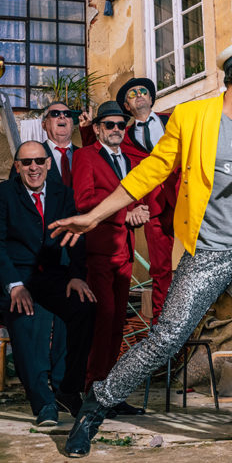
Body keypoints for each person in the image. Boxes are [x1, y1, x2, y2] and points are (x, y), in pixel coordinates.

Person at [52, 30, 232, 459]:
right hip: (210, 248)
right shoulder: (192, 117)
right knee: (167, 336)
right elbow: (150, 172)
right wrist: (94, 216)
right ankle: (94, 409)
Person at [0, 141, 97, 425]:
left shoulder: (62, 193)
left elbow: (76, 237)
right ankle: (43, 403)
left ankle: (67, 390)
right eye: (26, 162)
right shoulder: (3, 194)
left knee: (84, 308)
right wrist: (14, 284)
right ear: (17, 166)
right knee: (26, 318)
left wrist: (77, 276)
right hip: (17, 276)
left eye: (38, 161)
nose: (33, 167)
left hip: (53, 276)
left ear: (47, 163)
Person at [72, 101, 149, 416]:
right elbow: (84, 201)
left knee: (117, 326)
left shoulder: (128, 160)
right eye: (110, 125)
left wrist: (139, 212)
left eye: (121, 125)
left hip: (124, 252)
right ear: (98, 128)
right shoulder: (84, 156)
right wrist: (124, 213)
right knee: (102, 323)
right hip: (99, 251)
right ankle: (93, 393)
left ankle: (111, 392)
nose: (116, 129)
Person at [115, 77, 178, 323]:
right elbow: (109, 163)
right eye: (132, 94)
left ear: (151, 98)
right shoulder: (124, 137)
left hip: (185, 198)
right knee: (160, 267)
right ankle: (162, 322)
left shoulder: (173, 121)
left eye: (143, 91)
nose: (139, 95)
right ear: (127, 106)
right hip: (153, 207)